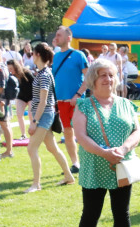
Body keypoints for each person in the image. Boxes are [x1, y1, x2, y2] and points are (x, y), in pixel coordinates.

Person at [71, 58, 140, 227]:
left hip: (122, 166)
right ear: (93, 79)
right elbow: (80, 136)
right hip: (94, 168)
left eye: (111, 75)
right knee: (91, 214)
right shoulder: (84, 105)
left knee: (122, 213)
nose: (108, 79)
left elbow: (137, 132)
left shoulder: (125, 104)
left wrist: (122, 150)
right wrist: (104, 153)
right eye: (103, 75)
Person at [25, 42, 75, 193]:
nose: (31, 56)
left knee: (31, 148)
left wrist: (34, 121)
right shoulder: (42, 73)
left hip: (44, 115)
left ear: (38, 54)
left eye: (33, 53)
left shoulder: (44, 74)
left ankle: (36, 184)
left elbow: (44, 100)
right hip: (44, 115)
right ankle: (68, 176)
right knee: (52, 147)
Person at [52, 26, 89, 174]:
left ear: (68, 38)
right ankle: (76, 164)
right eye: (56, 35)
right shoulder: (55, 57)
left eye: (59, 35)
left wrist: (78, 95)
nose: (56, 37)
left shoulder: (78, 55)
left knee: (82, 133)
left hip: (77, 101)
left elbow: (89, 78)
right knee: (67, 132)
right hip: (61, 102)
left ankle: (88, 162)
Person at [8, 58, 32, 139]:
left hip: (31, 95)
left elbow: (35, 84)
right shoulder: (12, 76)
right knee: (19, 114)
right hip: (21, 96)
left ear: (16, 67)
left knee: (31, 114)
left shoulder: (26, 73)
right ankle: (23, 134)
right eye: (9, 69)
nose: (10, 71)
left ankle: (33, 133)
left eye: (11, 68)